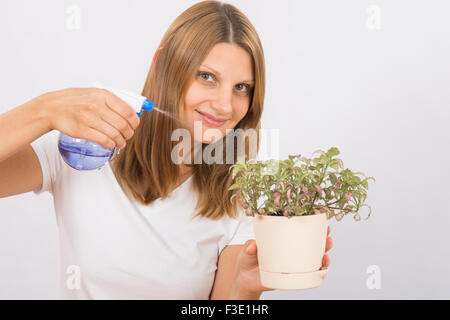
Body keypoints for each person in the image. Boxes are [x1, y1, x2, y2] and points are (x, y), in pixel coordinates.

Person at [0, 0, 332, 299]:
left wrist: (244, 291)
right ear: (162, 64)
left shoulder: (240, 192)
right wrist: (42, 111)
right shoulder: (86, 146)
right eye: (207, 76)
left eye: (241, 87)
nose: (224, 105)